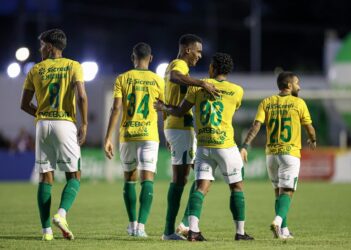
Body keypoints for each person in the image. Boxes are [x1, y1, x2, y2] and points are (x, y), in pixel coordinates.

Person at [155, 53, 254, 241]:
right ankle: (240, 233)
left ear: (213, 68)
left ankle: (193, 230)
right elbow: (233, 108)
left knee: (200, 188)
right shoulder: (237, 90)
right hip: (225, 145)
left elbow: (179, 111)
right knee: (236, 187)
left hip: (203, 146)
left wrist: (163, 107)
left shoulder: (196, 88)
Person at [20, 29, 88, 241]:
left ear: (49, 46)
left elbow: (24, 104)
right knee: (74, 176)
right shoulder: (73, 66)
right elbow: (82, 97)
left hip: (42, 125)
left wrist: (41, 113)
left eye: (42, 45)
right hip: (65, 123)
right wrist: (84, 124)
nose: (40, 49)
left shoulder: (36, 69)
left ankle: (46, 231)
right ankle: (61, 214)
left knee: (45, 177)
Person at [240, 71, 316, 239]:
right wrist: (313, 139)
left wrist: (245, 145)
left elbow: (256, 126)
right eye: (297, 83)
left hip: (271, 155)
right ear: (289, 85)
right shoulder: (299, 103)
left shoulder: (266, 102)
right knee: (287, 192)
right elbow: (309, 127)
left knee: (278, 193)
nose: (299, 86)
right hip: (289, 154)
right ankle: (277, 221)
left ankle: (284, 230)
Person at [161, 34, 219, 240]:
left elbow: (167, 100)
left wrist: (165, 129)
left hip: (178, 127)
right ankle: (170, 230)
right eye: (198, 51)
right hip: (181, 128)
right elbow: (176, 76)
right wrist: (202, 83)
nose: (200, 56)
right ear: (187, 50)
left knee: (202, 175)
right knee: (184, 178)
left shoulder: (176, 66)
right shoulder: (179, 65)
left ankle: (183, 224)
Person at [104, 42, 164, 238]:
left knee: (129, 179)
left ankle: (132, 224)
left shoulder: (123, 78)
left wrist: (108, 137)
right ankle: (141, 227)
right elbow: (165, 108)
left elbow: (116, 109)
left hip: (128, 135)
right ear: (151, 58)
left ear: (133, 57)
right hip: (149, 136)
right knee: (147, 179)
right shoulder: (158, 80)